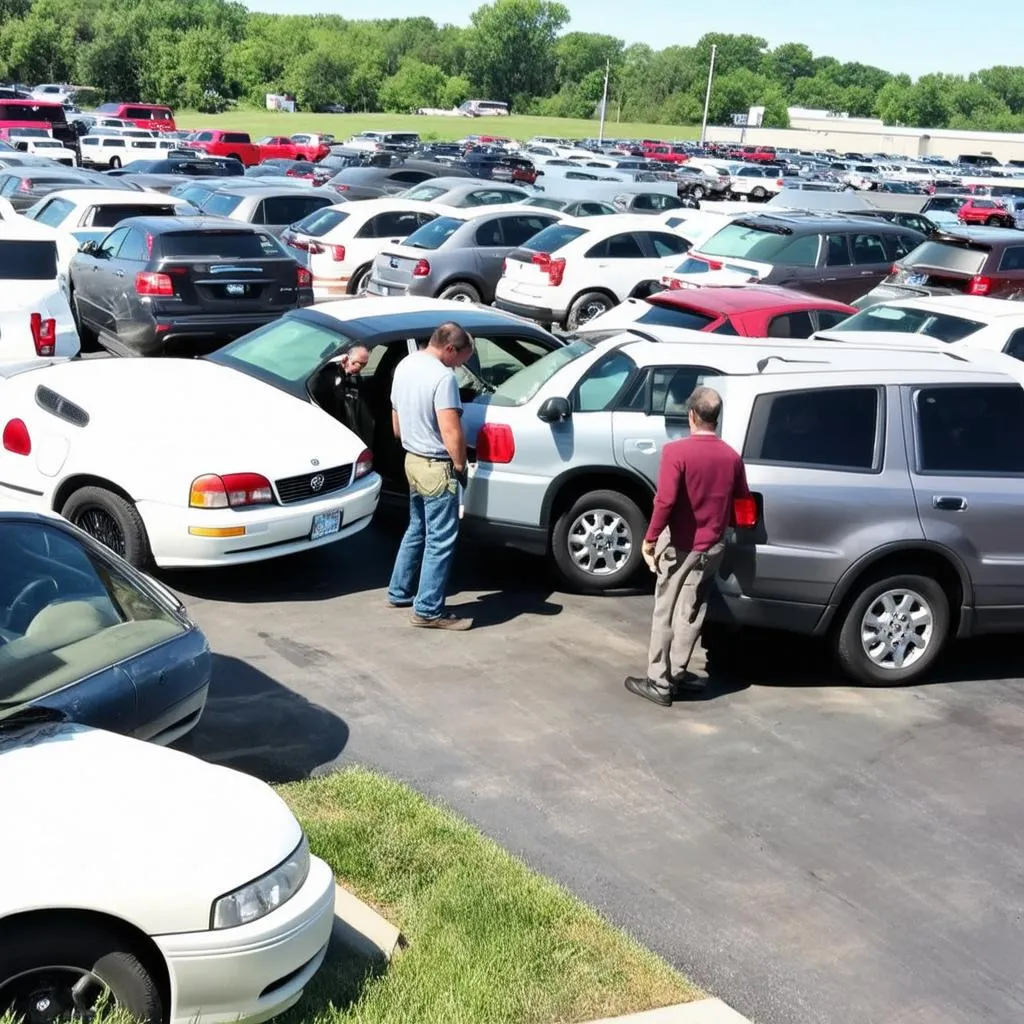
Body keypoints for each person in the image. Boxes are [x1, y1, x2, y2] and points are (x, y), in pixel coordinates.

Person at [625, 385, 750, 708]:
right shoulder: (732, 457)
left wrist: (650, 538)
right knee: (692, 610)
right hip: (714, 546)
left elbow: (665, 501)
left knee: (666, 608)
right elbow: (742, 504)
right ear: (716, 419)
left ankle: (659, 681)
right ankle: (678, 672)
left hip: (681, 545)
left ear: (691, 415)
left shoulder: (677, 453)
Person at [386, 322, 475, 630]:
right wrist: (461, 466)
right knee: (441, 539)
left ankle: (399, 591)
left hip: (411, 460)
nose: (462, 365)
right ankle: (427, 610)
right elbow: (451, 429)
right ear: (450, 349)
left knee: (417, 528)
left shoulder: (406, 364)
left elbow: (396, 423)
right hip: (437, 466)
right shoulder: (443, 377)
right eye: (463, 358)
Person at [326, 345, 373, 447]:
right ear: (346, 359)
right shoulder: (330, 374)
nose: (358, 368)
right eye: (355, 363)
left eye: (363, 365)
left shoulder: (355, 379)